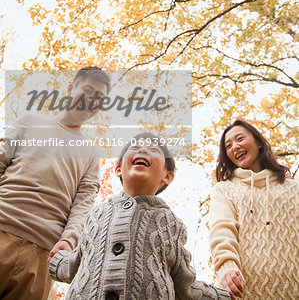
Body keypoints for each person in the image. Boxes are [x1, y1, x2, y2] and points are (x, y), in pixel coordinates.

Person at [49, 132, 231, 300]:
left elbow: (185, 283)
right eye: (134, 147)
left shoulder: (171, 224)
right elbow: (77, 263)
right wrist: (57, 261)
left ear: (167, 176)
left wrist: (222, 295)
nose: (143, 149)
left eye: (154, 150)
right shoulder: (95, 215)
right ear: (118, 169)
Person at [0, 66, 111, 300]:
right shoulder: (29, 121)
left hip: (43, 254)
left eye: (99, 98)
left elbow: (83, 205)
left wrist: (69, 240)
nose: (91, 100)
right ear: (71, 89)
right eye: (87, 90)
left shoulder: (91, 153)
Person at [209, 119, 298, 300]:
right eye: (228, 145)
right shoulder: (224, 189)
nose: (235, 147)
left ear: (258, 142)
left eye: (240, 139)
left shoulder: (293, 188)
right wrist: (227, 269)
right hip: (242, 293)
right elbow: (222, 231)